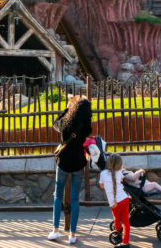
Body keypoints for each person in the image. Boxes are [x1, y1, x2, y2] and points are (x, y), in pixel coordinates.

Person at [48, 96, 92, 244]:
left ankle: (55, 230)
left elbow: (54, 124)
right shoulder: (86, 125)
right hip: (78, 163)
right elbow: (87, 135)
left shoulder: (65, 122)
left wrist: (67, 108)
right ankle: (72, 235)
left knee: (58, 195)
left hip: (63, 163)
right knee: (75, 199)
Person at [99, 154, 130, 248]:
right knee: (126, 221)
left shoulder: (103, 173)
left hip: (114, 203)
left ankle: (118, 234)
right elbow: (121, 180)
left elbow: (101, 185)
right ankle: (125, 242)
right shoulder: (119, 172)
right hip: (125, 199)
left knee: (117, 219)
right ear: (119, 164)